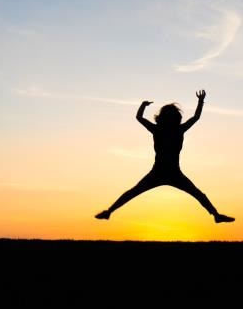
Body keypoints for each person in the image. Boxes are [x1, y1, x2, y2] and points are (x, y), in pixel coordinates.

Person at [95, 90, 234, 223]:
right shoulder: (175, 129)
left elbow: (139, 117)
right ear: (176, 118)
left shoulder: (160, 129)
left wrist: (143, 105)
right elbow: (196, 117)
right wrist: (201, 101)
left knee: (134, 192)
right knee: (198, 194)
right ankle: (216, 215)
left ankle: (109, 212)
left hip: (166, 172)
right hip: (166, 172)